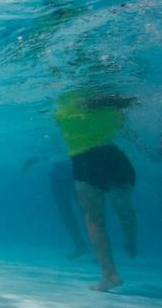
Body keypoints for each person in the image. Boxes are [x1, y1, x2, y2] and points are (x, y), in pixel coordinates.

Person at [54, 88, 138, 291]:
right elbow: (120, 117)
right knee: (124, 207)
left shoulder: (66, 103)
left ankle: (110, 274)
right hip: (114, 155)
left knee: (94, 219)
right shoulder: (97, 103)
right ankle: (130, 241)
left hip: (86, 160)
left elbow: (88, 107)